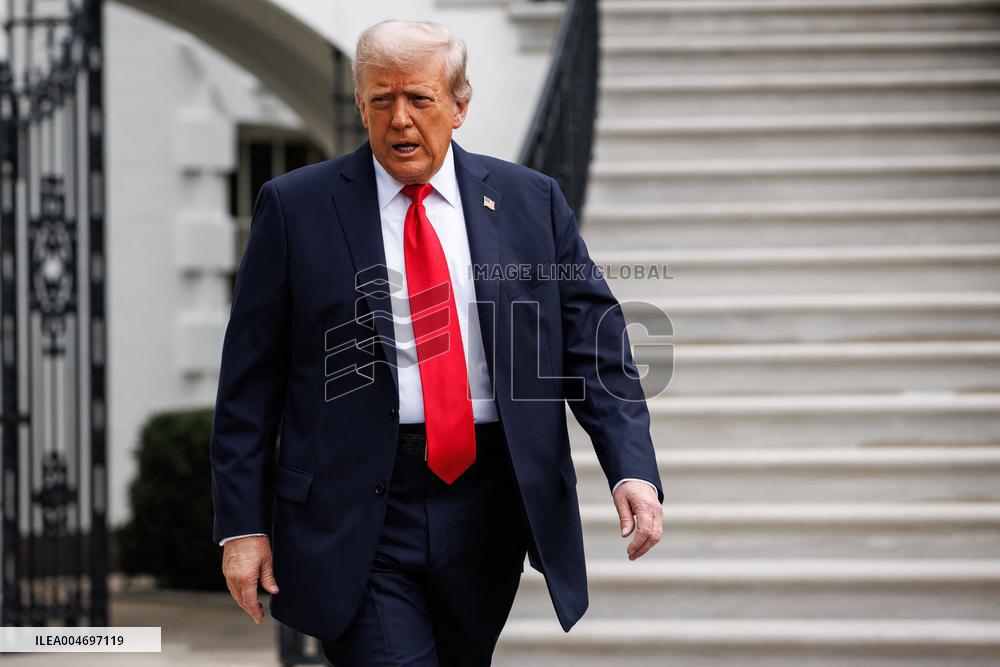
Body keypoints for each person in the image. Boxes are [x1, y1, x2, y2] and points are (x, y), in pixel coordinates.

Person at [210, 18, 664, 666]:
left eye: (419, 99)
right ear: (361, 103)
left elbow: (594, 344)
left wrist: (632, 466)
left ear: (459, 105)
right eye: (382, 99)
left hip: (487, 505)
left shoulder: (531, 202)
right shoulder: (295, 207)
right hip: (356, 505)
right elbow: (248, 384)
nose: (400, 119)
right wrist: (242, 524)